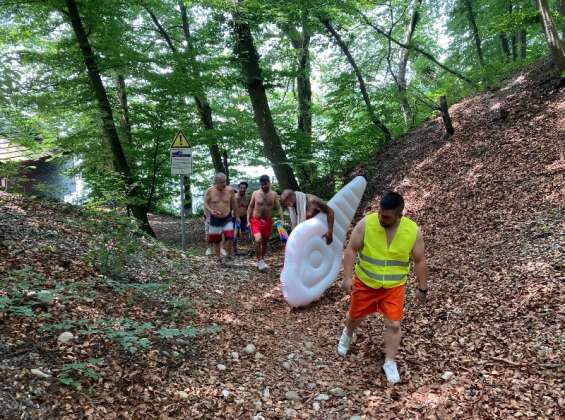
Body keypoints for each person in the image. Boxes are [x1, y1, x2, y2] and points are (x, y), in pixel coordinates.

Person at [337, 192, 428, 384]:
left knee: (394, 324)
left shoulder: (412, 231)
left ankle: (390, 361)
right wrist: (346, 277)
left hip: (394, 287)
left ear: (399, 215)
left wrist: (422, 288)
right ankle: (347, 334)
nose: (381, 218)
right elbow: (350, 250)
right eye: (380, 213)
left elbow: (419, 260)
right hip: (365, 283)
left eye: (386, 216)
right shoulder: (366, 224)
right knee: (354, 318)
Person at [247, 175, 284, 271]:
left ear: (269, 182)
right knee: (258, 239)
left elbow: (279, 207)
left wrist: (282, 219)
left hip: (268, 221)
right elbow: (250, 207)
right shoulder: (255, 193)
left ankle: (262, 259)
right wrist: (248, 220)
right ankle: (259, 261)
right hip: (256, 220)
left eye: (265, 184)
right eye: (262, 185)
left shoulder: (274, 194)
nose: (264, 186)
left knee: (265, 242)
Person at [203, 173, 236, 261]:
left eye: (225, 181)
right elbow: (205, 203)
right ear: (216, 182)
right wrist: (210, 211)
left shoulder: (230, 190)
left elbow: (233, 203)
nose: (224, 184)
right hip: (215, 218)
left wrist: (235, 213)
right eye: (221, 182)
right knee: (216, 239)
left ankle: (228, 255)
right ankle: (218, 257)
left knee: (230, 236)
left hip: (227, 217)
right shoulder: (210, 190)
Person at [234, 181, 250, 254]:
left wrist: (248, 219)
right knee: (234, 232)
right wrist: (237, 217)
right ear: (239, 188)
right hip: (234, 217)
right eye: (241, 188)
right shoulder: (234, 196)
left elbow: (249, 208)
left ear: (246, 189)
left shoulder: (247, 197)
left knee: (243, 233)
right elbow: (234, 208)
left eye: (244, 188)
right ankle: (234, 249)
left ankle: (244, 248)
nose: (242, 189)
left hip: (244, 217)